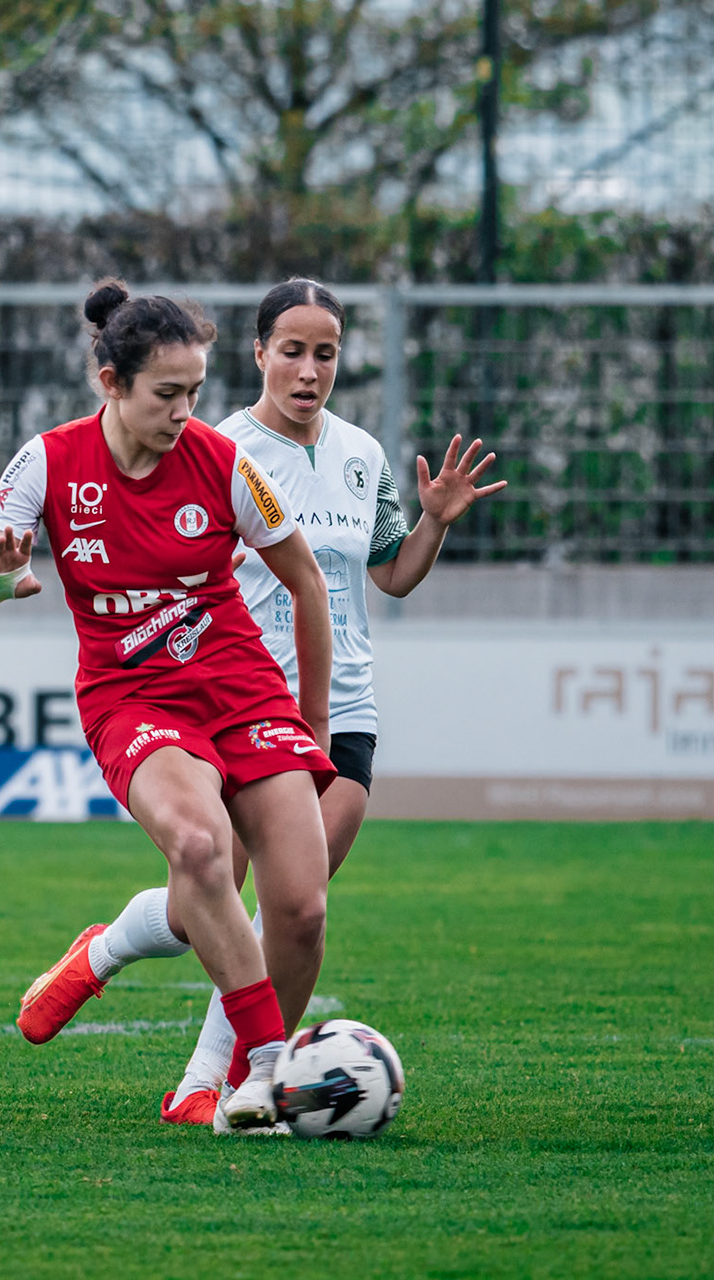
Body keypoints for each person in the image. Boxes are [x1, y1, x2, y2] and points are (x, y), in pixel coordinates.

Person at [0, 279, 338, 1133]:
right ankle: (265, 1068)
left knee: (301, 908)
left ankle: (112, 958)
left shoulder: (229, 466)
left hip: (239, 683)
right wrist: (1, 585)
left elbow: (306, 583)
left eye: (196, 393)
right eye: (167, 394)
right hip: (131, 697)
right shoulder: (49, 461)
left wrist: (314, 721)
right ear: (110, 382)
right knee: (201, 847)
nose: (186, 412)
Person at [153, 278, 507, 1126]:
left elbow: (391, 575)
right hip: (237, 703)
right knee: (205, 901)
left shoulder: (361, 454)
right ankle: (114, 954)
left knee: (295, 910)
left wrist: (434, 524)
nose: (310, 371)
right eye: (293, 351)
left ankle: (219, 1086)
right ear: (258, 354)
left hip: (343, 711)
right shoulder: (212, 448)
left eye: (327, 354)